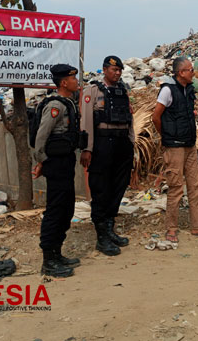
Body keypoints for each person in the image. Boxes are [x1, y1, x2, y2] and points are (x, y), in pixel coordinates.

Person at [152, 57, 198, 242]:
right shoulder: (167, 90)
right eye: (190, 70)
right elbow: (156, 116)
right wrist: (166, 136)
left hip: (189, 145)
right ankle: (171, 228)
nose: (193, 72)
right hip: (174, 146)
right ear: (181, 73)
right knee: (175, 187)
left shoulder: (189, 89)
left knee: (195, 186)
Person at [80, 55, 135, 256]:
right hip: (103, 143)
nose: (117, 73)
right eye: (113, 70)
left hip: (122, 143)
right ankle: (101, 236)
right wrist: (88, 148)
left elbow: (130, 118)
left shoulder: (122, 90)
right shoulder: (93, 90)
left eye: (119, 70)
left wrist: (131, 143)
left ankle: (110, 230)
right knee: (101, 189)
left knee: (118, 186)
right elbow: (86, 121)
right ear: (105, 70)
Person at [33, 63, 83, 277]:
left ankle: (57, 253)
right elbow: (41, 136)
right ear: (64, 82)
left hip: (66, 161)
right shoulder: (56, 106)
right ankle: (48, 261)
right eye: (73, 79)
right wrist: (42, 161)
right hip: (56, 163)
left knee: (66, 209)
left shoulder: (68, 103)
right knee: (55, 211)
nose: (76, 81)